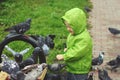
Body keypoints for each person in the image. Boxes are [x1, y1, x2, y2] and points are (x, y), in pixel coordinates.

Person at [56, 8, 93, 80]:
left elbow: (77, 52)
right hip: (73, 66)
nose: (68, 29)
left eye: (70, 27)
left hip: (79, 70)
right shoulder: (75, 33)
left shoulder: (84, 39)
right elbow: (75, 46)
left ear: (78, 25)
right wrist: (68, 49)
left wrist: (64, 56)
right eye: (66, 26)